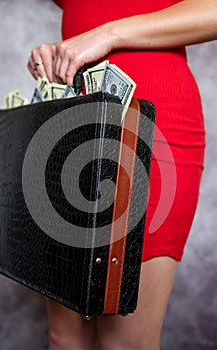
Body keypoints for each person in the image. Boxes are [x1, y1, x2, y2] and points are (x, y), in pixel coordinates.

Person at [27, 1, 217, 349]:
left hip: (150, 119)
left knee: (125, 343)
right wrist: (54, 54)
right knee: (65, 339)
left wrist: (108, 33)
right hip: (71, 116)